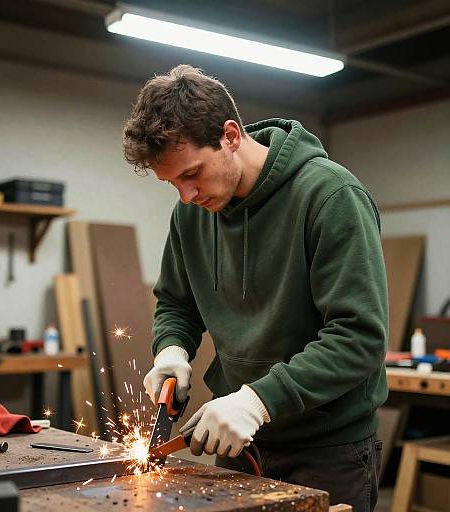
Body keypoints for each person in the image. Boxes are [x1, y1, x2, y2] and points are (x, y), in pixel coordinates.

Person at [122, 64, 388, 511]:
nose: (187, 196)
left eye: (192, 174)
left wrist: (258, 401)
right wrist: (170, 350)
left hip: (327, 450)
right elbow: (176, 303)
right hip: (240, 443)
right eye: (173, 185)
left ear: (229, 135)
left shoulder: (330, 196)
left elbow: (359, 337)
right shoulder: (192, 214)